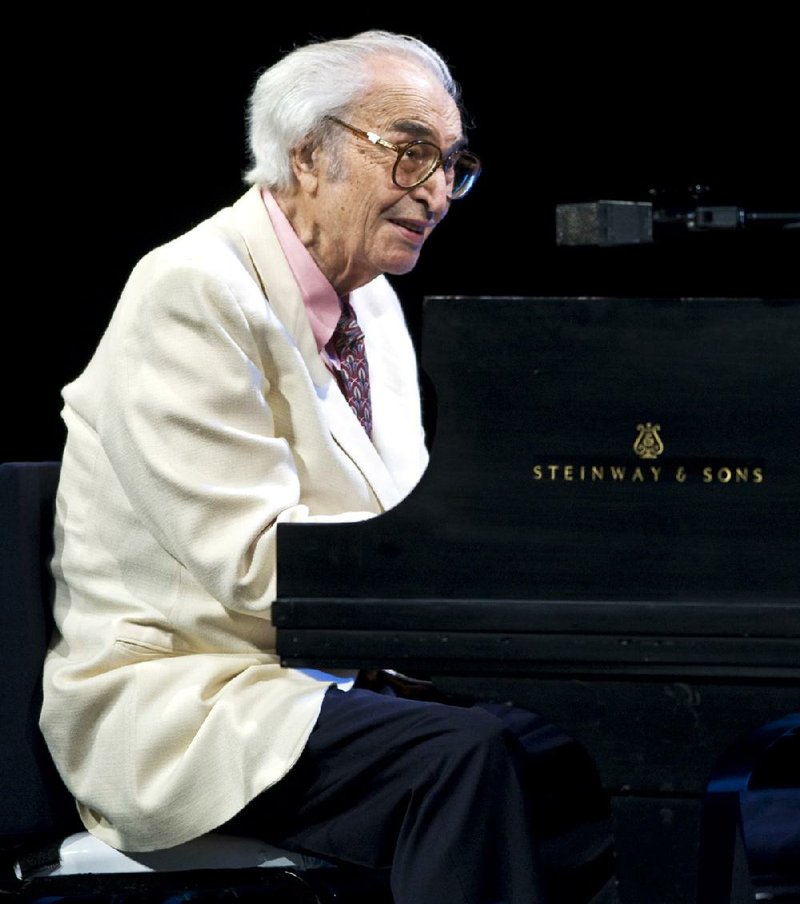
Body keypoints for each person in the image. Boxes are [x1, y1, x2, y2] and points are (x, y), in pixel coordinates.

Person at [40, 30, 614, 904]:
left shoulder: (372, 303)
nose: (436, 193)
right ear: (308, 154)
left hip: (331, 675)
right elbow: (247, 567)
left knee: (577, 745)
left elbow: (406, 511)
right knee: (460, 760)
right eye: (412, 154)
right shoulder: (193, 290)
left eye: (452, 164)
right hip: (189, 699)